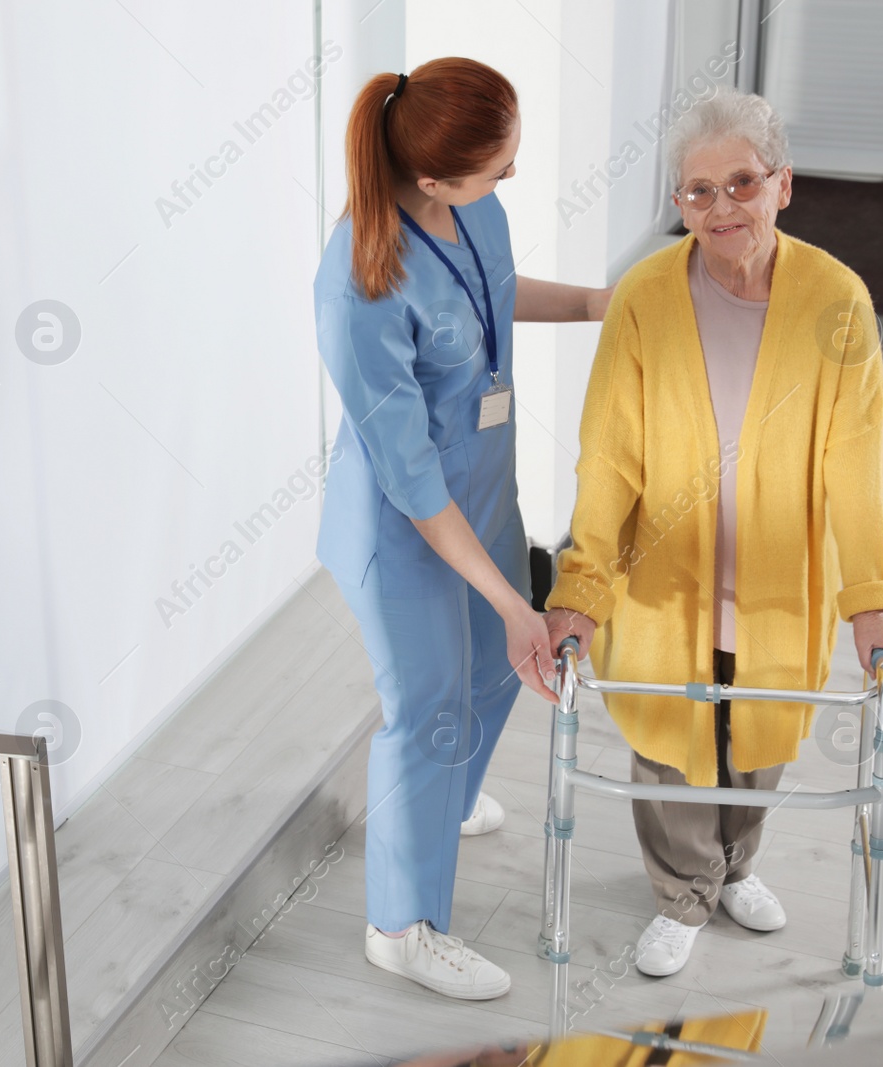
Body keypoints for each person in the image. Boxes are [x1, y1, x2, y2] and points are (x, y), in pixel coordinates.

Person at [543, 89, 883, 977]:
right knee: (670, 735)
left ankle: (734, 864)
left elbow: (859, 462)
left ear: (782, 185)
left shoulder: (837, 300)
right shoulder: (644, 299)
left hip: (779, 580)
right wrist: (580, 589)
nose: (721, 209)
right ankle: (681, 892)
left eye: (741, 183)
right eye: (697, 191)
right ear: (678, 203)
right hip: (663, 577)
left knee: (760, 733)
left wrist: (870, 599)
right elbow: (610, 460)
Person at [313, 58, 612, 1000]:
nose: (510, 180)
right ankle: (400, 926)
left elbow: (494, 293)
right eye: (497, 168)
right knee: (429, 704)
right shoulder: (359, 286)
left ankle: (443, 801)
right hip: (407, 521)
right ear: (432, 178)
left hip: (482, 486)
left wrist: (611, 305)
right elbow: (408, 478)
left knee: (494, 669)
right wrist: (512, 600)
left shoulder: (472, 209)